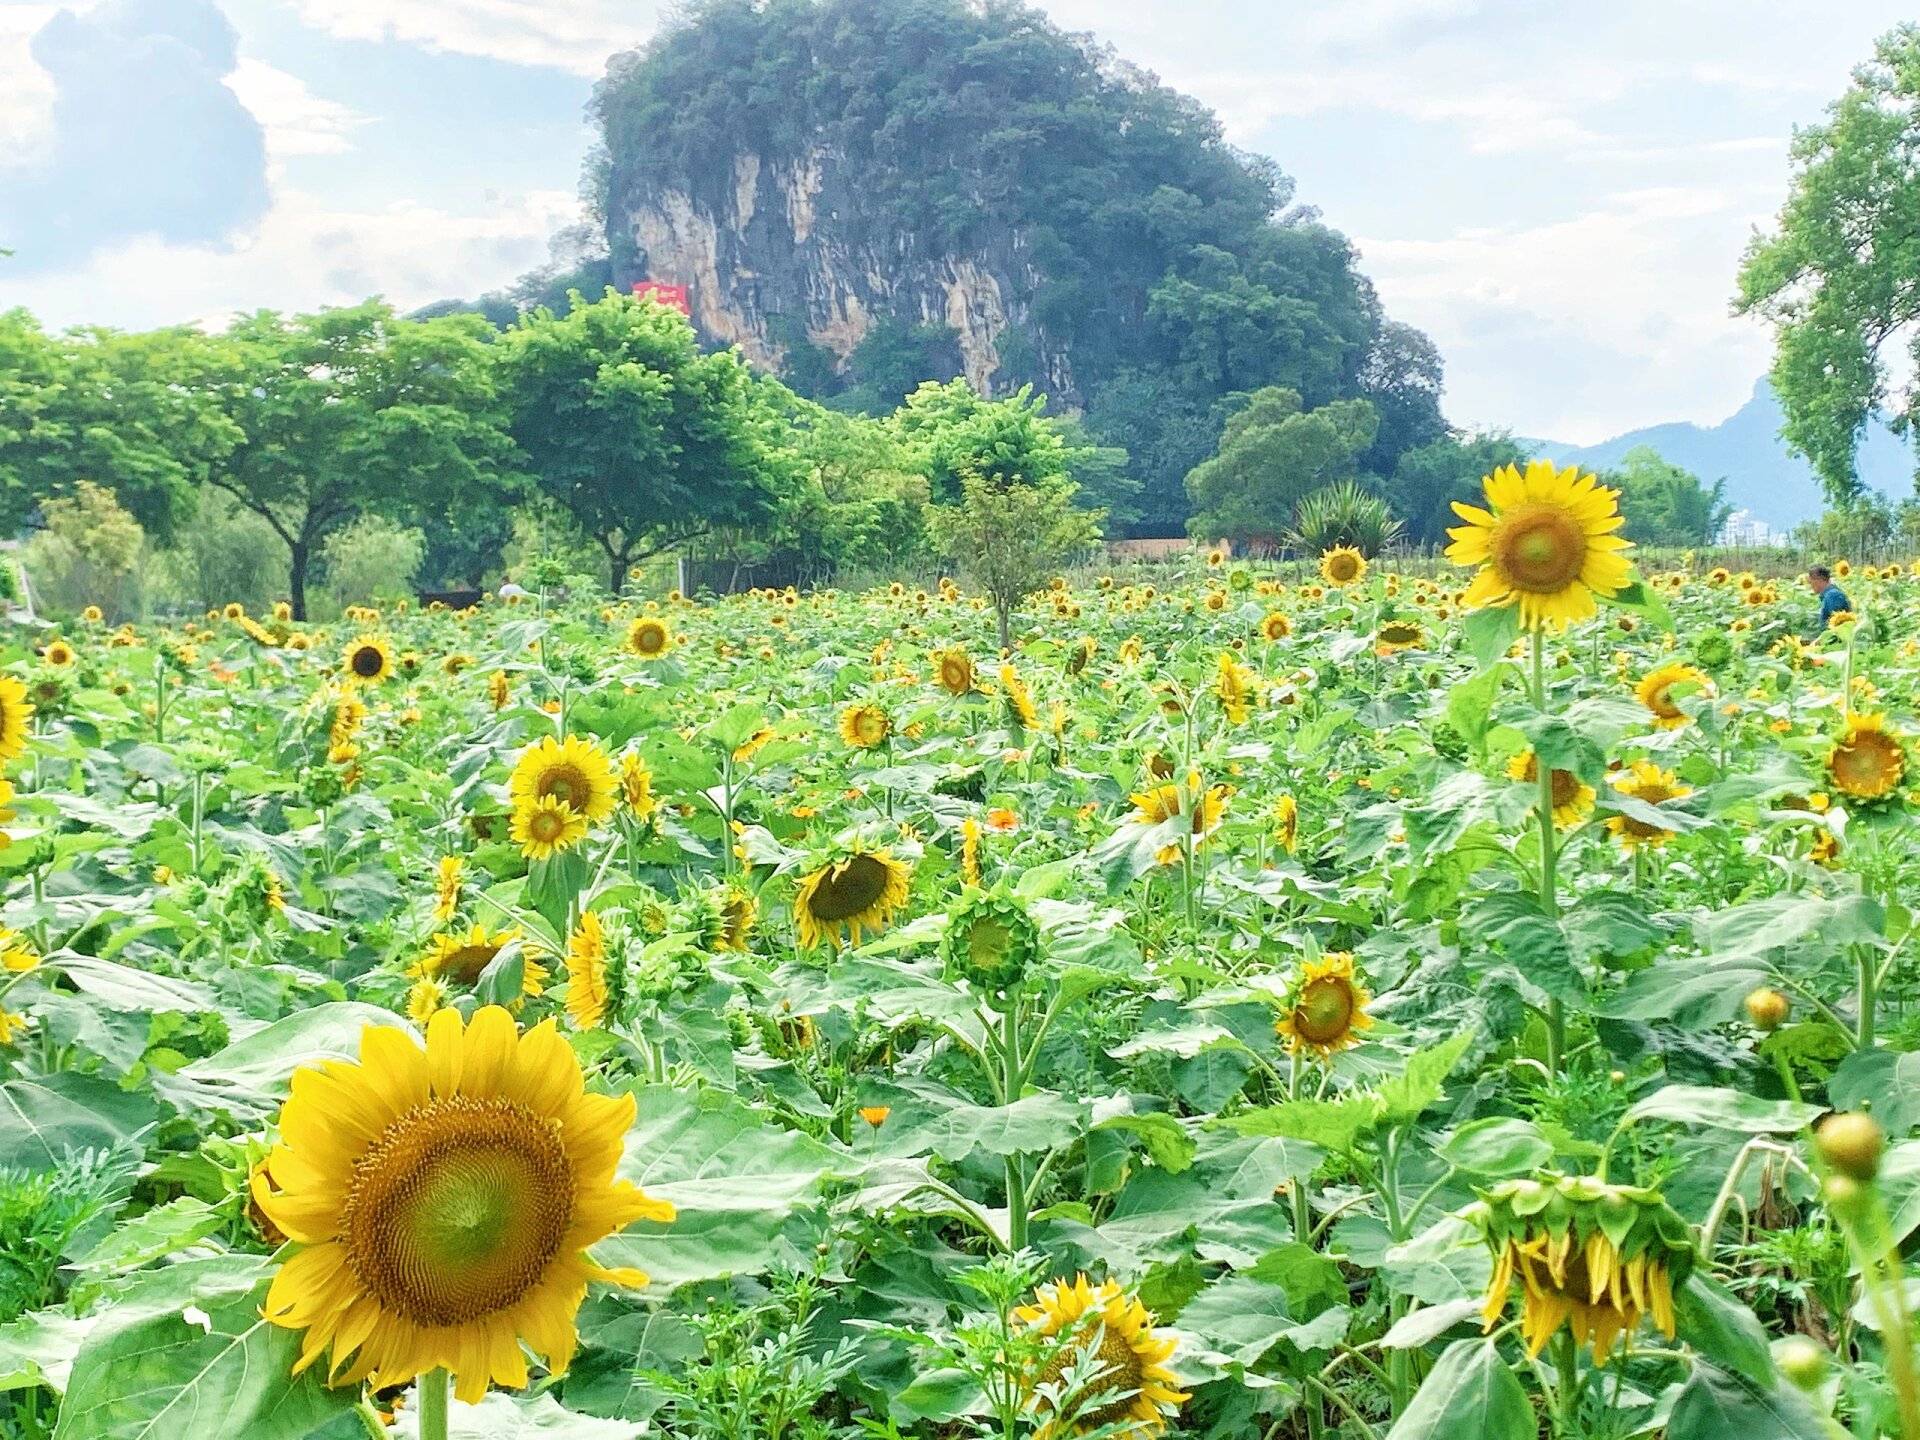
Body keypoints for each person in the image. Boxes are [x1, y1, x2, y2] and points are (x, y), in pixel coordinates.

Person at [1807, 565, 1851, 632]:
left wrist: (1816, 642)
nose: (1811, 585)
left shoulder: (1832, 595)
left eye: (1811, 582)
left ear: (1819, 579)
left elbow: (1836, 625)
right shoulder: (1830, 594)